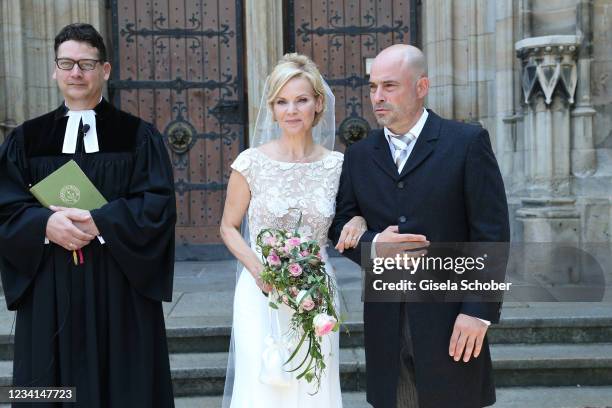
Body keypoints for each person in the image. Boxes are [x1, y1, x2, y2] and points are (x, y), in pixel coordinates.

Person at [0, 23, 176, 407]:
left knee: (125, 386)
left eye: (86, 63)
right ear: (54, 70)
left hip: (120, 287)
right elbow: (5, 206)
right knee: (45, 389)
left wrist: (102, 221)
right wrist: (45, 225)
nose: (75, 73)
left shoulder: (138, 136)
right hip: (49, 287)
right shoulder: (25, 140)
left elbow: (158, 204)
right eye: (66, 63)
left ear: (105, 70)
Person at [330, 44, 510, 408]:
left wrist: (478, 311)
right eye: (372, 87)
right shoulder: (360, 155)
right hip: (386, 322)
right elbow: (339, 226)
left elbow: (491, 234)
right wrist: (373, 243)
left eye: (390, 86)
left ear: (422, 86)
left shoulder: (466, 142)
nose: (377, 97)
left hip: (451, 319)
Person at [219, 53, 365, 407]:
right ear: (272, 108)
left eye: (301, 100)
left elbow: (350, 216)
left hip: (317, 291)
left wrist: (359, 221)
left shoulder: (337, 166)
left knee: (314, 384)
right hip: (260, 292)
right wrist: (258, 269)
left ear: (318, 103)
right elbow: (228, 227)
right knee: (264, 385)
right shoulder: (251, 162)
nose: (292, 110)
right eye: (282, 102)